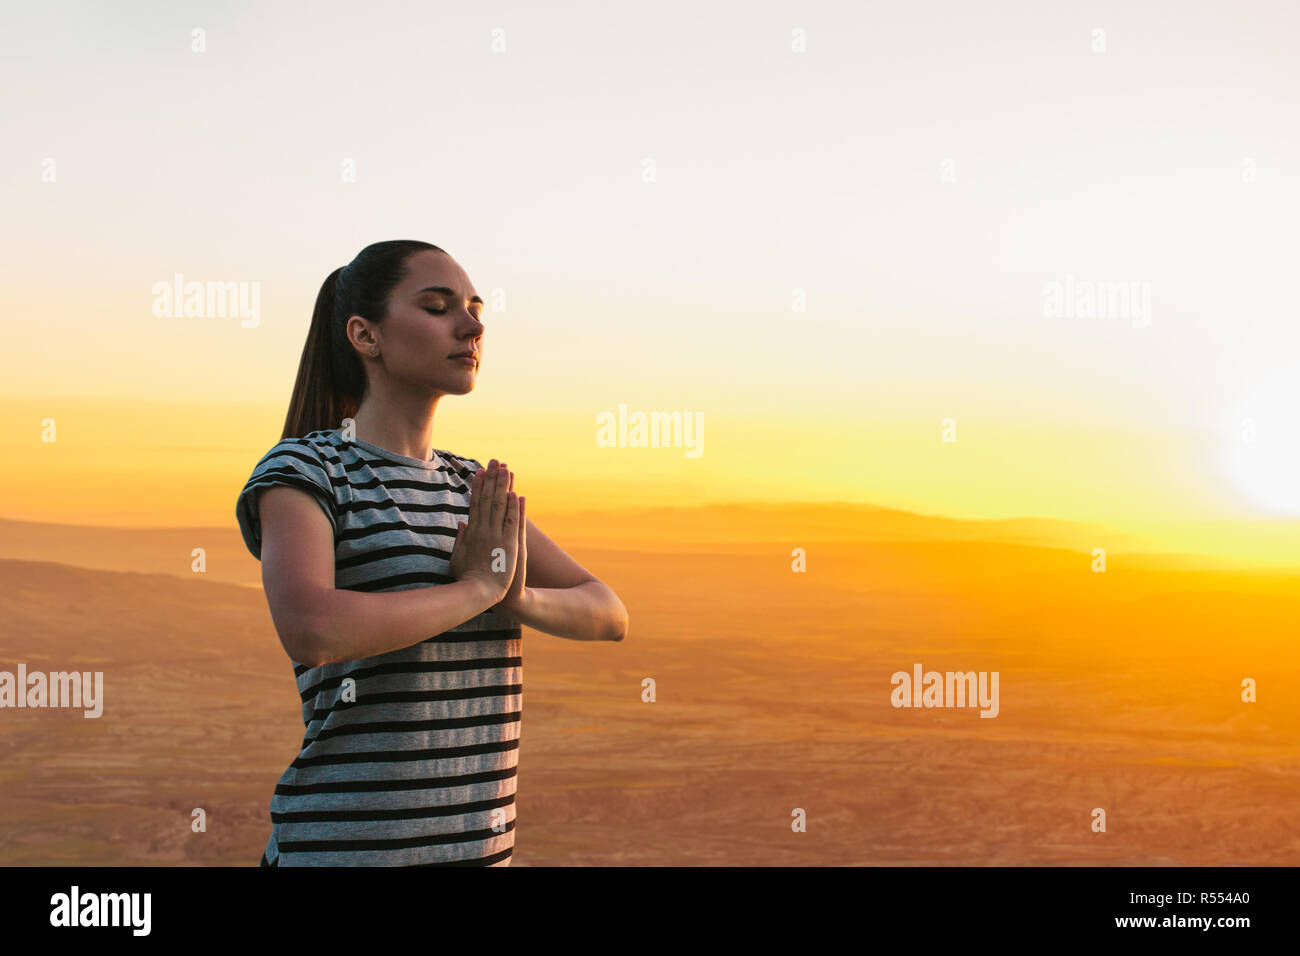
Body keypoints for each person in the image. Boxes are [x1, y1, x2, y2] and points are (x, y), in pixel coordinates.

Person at [235, 239, 628, 865]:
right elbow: (311, 628)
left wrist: (515, 595)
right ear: (366, 336)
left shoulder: (472, 486)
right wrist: (475, 589)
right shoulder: (306, 472)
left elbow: (608, 613)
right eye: (438, 307)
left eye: (474, 309)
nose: (471, 326)